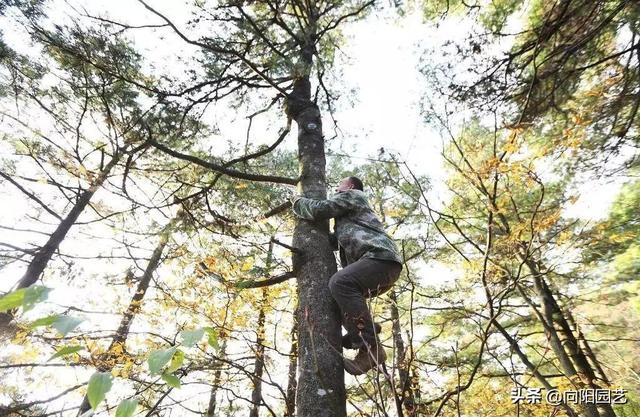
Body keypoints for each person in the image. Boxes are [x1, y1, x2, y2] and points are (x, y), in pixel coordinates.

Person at [291, 176, 403, 375]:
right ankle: (363, 329)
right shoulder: (347, 217)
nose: (337, 187)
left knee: (340, 282)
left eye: (339, 184)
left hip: (379, 259)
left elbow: (319, 210)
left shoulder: (354, 195)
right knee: (334, 294)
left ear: (350, 186)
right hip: (375, 266)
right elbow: (339, 240)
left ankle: (370, 348)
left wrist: (298, 202)